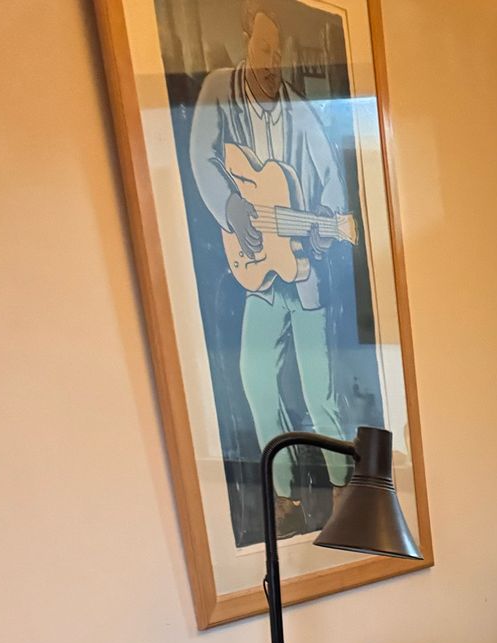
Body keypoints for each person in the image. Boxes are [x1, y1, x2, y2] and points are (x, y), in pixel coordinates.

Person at [189, 1, 349, 532]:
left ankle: (345, 493)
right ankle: (284, 497)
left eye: (278, 52)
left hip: (302, 272)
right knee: (256, 379)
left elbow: (330, 180)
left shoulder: (299, 111)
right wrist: (233, 209)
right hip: (257, 271)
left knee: (319, 391)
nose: (271, 61)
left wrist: (327, 222)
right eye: (263, 49)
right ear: (245, 43)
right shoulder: (219, 90)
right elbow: (202, 159)